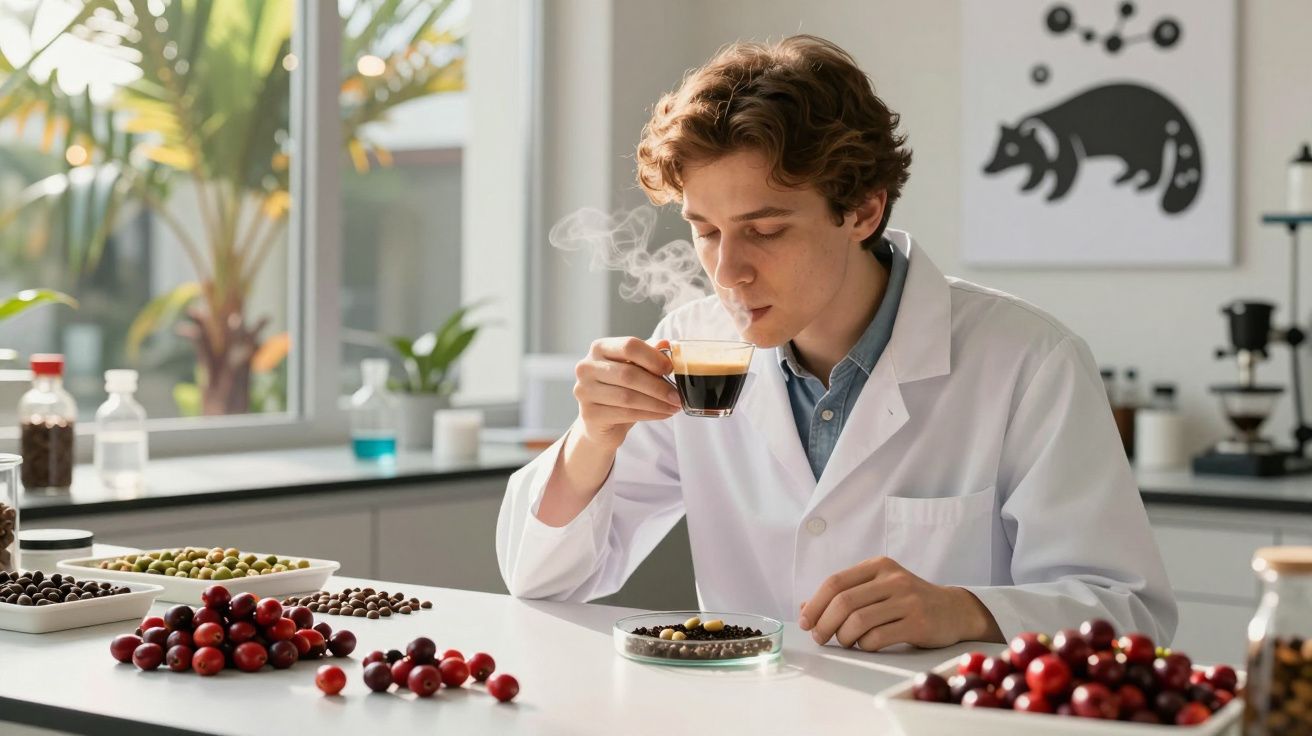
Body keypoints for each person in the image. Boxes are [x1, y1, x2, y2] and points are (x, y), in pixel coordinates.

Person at [497, 34, 1176, 652]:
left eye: (764, 230)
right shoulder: (694, 345)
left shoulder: (1029, 361)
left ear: (862, 211)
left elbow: (1129, 612)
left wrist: (963, 610)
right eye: (705, 230)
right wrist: (593, 441)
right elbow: (541, 580)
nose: (728, 270)